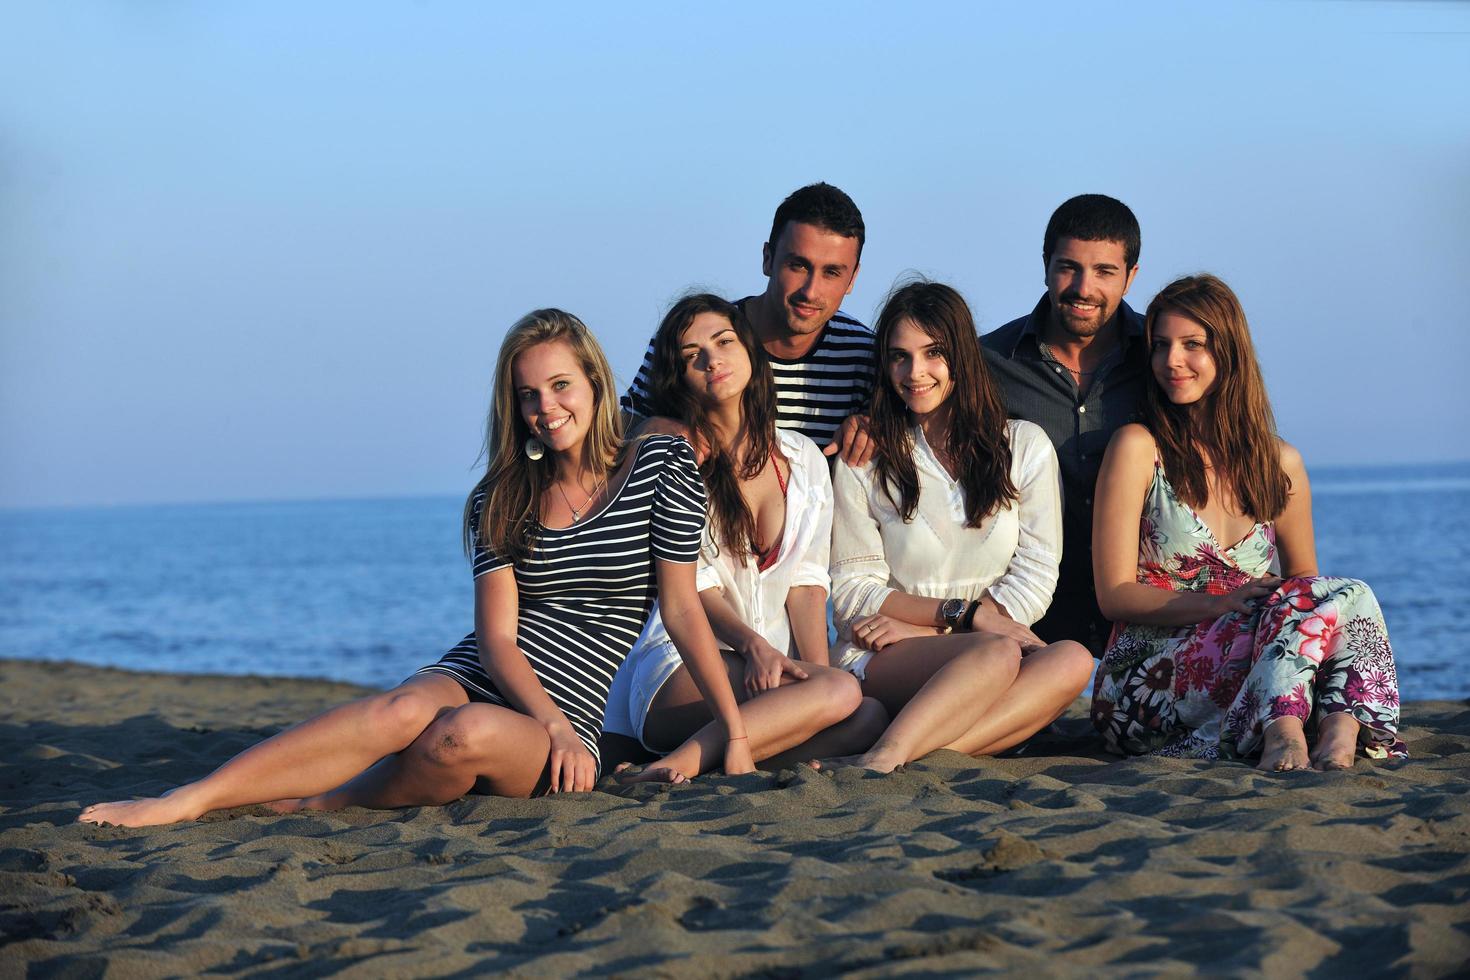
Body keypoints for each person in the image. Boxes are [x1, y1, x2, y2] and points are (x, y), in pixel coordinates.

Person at [79, 310, 754, 828]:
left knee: (454, 740)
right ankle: (186, 801)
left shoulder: (661, 467)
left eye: (560, 385)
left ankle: (324, 801)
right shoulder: (502, 496)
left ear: (594, 383)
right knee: (401, 709)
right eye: (528, 395)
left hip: (568, 717)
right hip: (491, 674)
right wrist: (543, 720)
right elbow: (495, 640)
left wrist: (736, 737)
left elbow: (681, 608)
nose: (546, 408)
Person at [1090, 274, 1405, 771]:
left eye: (1192, 344)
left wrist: (1258, 607)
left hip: (1252, 662)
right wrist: (1219, 604)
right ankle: (1286, 731)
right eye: (1160, 346)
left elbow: (1310, 592)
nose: (1171, 360)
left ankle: (1337, 731)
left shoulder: (1280, 464)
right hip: (1147, 678)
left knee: (1349, 594)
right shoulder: (1138, 447)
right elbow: (1113, 595)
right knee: (1315, 601)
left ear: (1229, 351)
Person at [607, 294, 887, 780]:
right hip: (684, 667)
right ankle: (684, 758)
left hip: (768, 669)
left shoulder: (805, 460)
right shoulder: (674, 460)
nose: (712, 360)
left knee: (862, 712)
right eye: (693, 356)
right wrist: (754, 646)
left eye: (723, 342)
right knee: (839, 695)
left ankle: (703, 759)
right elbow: (692, 587)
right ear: (680, 379)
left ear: (750, 354)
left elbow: (806, 584)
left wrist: (820, 680)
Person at [823, 281, 1095, 773]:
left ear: (963, 357)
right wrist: (963, 619)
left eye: (933, 353)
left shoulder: (1024, 446)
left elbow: (1036, 573)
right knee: (992, 654)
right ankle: (887, 755)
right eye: (899, 357)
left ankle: (918, 749)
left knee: (1073, 658)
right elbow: (851, 593)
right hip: (886, 651)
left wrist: (941, 627)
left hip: (965, 640)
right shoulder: (865, 458)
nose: (915, 372)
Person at [981, 194, 1149, 654]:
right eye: (1068, 267)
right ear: (1046, 265)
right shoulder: (986, 363)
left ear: (1131, 277)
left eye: (1104, 272)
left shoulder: (1163, 361)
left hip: (1145, 619)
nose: (1083, 287)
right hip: (1026, 620)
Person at [621, 182, 879, 463]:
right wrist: (652, 428)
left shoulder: (867, 355)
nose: (810, 291)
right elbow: (620, 429)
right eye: (798, 265)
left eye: (831, 272)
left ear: (852, 278)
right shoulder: (694, 337)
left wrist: (879, 429)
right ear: (768, 259)